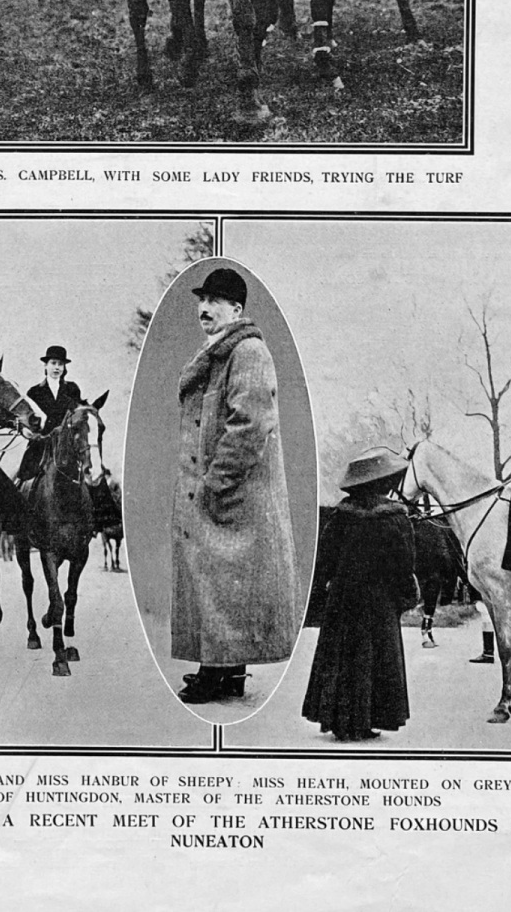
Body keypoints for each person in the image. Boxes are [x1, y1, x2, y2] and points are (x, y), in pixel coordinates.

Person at [172, 266, 299, 705]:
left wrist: (213, 484)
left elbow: (250, 424)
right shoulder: (218, 354)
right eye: (200, 301)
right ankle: (227, 671)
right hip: (224, 494)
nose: (203, 308)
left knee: (224, 581)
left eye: (214, 302)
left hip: (235, 495)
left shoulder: (247, 351)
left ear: (237, 309)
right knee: (221, 581)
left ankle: (216, 672)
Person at [302, 448, 418, 741]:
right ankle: (368, 720)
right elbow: (404, 564)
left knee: (342, 655)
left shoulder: (341, 516)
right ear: (384, 483)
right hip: (379, 600)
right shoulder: (394, 518)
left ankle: (340, 721)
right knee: (376, 657)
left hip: (343, 598)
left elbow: (324, 559)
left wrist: (324, 590)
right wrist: (405, 594)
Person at [14, 344, 84, 484]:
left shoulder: (72, 389)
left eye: (60, 364)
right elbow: (26, 420)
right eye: (53, 363)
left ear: (64, 368)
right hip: (42, 444)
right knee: (21, 481)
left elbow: (79, 417)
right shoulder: (34, 392)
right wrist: (26, 431)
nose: (56, 367)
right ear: (45, 366)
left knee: (91, 477)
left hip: (67, 446)